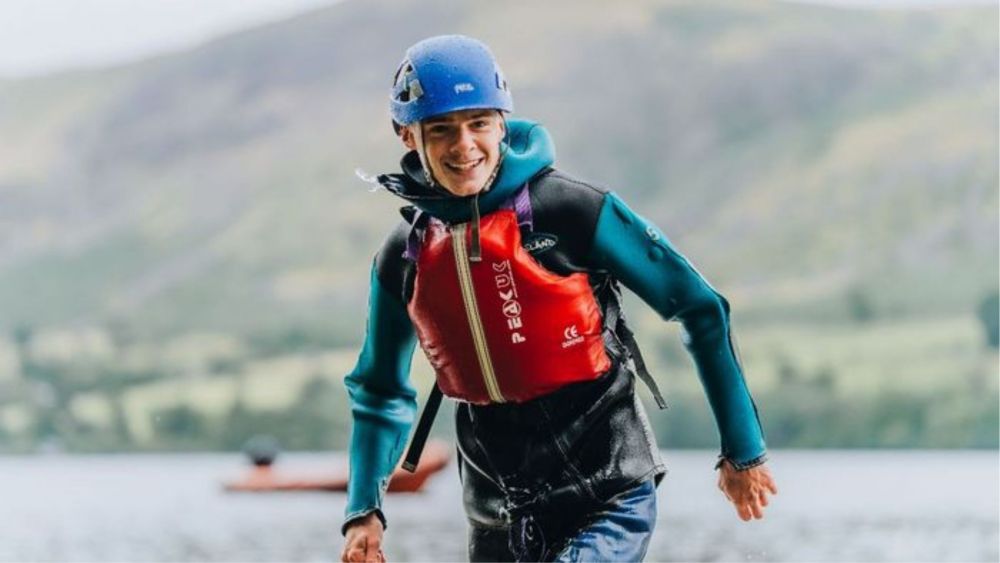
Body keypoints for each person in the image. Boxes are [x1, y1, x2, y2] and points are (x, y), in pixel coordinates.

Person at [340, 35, 778, 562]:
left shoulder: (570, 211)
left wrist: (743, 449)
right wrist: (364, 510)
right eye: (441, 129)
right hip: (494, 501)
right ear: (407, 135)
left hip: (605, 483)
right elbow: (380, 389)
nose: (464, 145)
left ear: (503, 121)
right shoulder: (404, 255)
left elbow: (700, 308)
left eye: (479, 122)